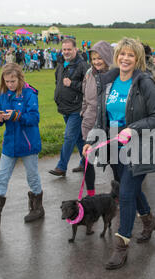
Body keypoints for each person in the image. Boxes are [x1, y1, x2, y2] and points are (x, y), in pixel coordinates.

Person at [82, 37, 155, 270]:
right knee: (129, 188)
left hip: (139, 147)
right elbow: (101, 118)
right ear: (116, 57)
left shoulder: (144, 83)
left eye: (130, 55)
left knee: (126, 194)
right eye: (122, 54)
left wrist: (133, 128)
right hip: (114, 147)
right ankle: (148, 220)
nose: (125, 58)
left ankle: (121, 247)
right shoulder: (108, 82)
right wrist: (91, 140)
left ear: (137, 58)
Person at [0, 63, 44, 228]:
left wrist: (16, 116)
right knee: (1, 177)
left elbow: (34, 118)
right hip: (10, 143)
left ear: (20, 78)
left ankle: (37, 208)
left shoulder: (29, 94)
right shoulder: (3, 95)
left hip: (28, 143)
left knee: (32, 176)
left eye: (13, 81)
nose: (10, 84)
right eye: (7, 81)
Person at [76, 40, 115, 194]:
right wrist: (83, 112)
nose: (97, 61)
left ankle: (118, 193)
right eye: (94, 58)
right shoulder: (88, 74)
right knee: (87, 160)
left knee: (114, 161)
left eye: (100, 58)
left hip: (108, 125)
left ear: (107, 57)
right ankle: (90, 193)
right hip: (89, 122)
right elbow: (85, 97)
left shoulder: (116, 75)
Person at [49, 39, 89, 176]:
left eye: (69, 49)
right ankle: (85, 163)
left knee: (69, 136)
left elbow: (90, 87)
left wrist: (72, 84)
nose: (66, 52)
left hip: (77, 108)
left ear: (75, 50)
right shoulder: (61, 64)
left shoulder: (83, 65)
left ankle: (61, 167)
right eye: (64, 49)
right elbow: (57, 82)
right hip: (64, 107)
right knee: (78, 137)